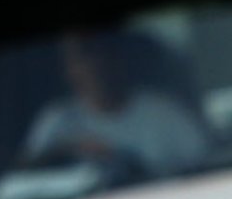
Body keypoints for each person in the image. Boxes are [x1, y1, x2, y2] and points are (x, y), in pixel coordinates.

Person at [19, 31, 205, 178]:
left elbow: (205, 165)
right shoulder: (57, 120)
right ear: (69, 70)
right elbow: (24, 176)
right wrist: (68, 150)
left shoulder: (163, 113)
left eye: (102, 52)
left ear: (118, 58)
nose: (93, 65)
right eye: (83, 55)